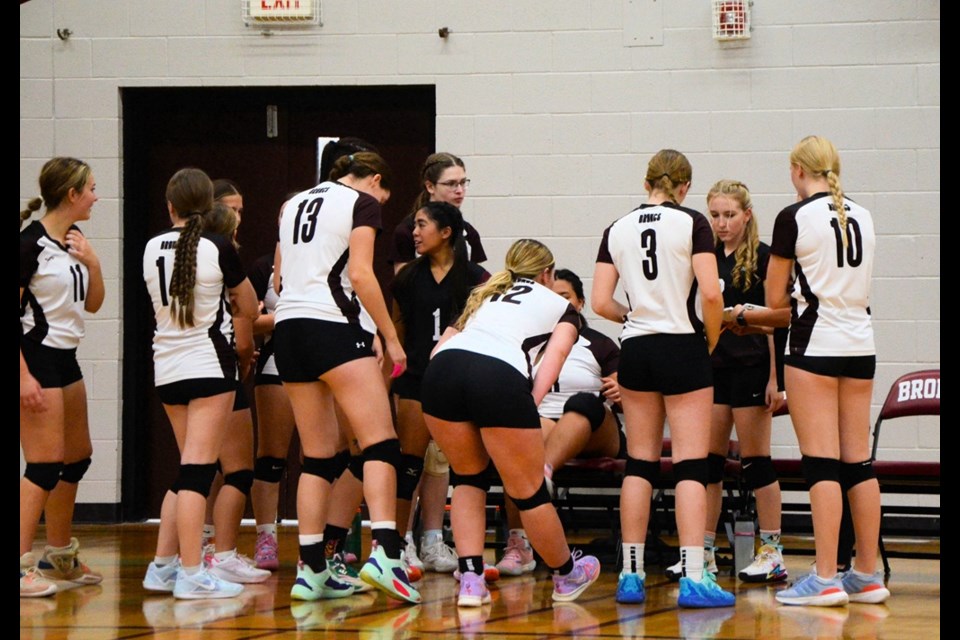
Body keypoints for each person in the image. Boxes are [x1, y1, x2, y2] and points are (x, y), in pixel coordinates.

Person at [273, 151, 421, 604]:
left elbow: (280, 280)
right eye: (383, 194)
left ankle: (312, 569)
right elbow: (359, 272)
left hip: (287, 330)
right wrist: (390, 336)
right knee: (381, 443)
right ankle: (386, 554)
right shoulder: (361, 202)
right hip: (331, 327)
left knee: (317, 457)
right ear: (374, 180)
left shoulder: (293, 204)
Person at [422, 239, 601, 608]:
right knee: (528, 490)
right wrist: (521, 410)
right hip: (498, 376)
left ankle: (471, 579)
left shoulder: (485, 297)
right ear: (547, 273)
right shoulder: (562, 306)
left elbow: (437, 351)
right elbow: (552, 365)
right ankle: (567, 574)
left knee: (468, 477)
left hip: (441, 374)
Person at [592, 149, 735, 608]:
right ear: (685, 187)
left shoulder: (615, 228)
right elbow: (711, 293)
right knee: (692, 465)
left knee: (640, 464)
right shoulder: (693, 222)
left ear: (646, 183)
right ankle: (695, 577)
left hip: (636, 347)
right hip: (682, 343)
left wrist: (632, 314)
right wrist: (710, 338)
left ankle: (630, 576)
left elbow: (599, 301)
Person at [770, 136, 889, 607]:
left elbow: (777, 298)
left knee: (820, 462)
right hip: (861, 344)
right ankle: (866, 573)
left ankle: (824, 578)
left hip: (814, 345)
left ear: (799, 169)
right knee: (858, 461)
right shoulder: (863, 213)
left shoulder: (793, 216)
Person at [141, 168, 259, 599]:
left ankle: (162, 566)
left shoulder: (151, 246)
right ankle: (192, 574)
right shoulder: (219, 246)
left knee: (185, 472)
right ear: (208, 205)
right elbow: (246, 306)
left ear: (170, 205)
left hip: (166, 368)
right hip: (209, 367)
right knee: (197, 473)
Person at [664, 180, 788, 584]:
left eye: (730, 215)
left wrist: (776, 378)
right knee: (709, 464)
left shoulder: (765, 258)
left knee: (756, 462)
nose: (721, 223)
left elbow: (777, 322)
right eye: (715, 215)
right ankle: (703, 551)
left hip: (752, 367)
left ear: (747, 215)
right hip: (712, 369)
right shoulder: (705, 257)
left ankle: (772, 550)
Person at [391, 152, 486, 576]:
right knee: (408, 461)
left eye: (422, 227)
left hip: (454, 379)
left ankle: (436, 539)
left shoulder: (476, 278)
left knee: (446, 462)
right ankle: (397, 542)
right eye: (453, 182)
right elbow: (394, 328)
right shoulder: (408, 275)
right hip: (413, 377)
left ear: (447, 233)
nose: (414, 233)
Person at [496, 268, 623, 578]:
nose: (557, 302)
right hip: (544, 424)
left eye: (564, 296)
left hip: (595, 427)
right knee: (520, 441)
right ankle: (520, 544)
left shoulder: (599, 343)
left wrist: (623, 388)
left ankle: (544, 472)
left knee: (583, 402)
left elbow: (633, 390)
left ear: (579, 303)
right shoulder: (528, 341)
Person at [20, 157, 105, 597]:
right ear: (71, 194)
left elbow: (93, 305)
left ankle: (57, 555)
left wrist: (92, 263)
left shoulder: (73, 240)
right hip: (35, 359)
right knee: (44, 463)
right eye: (90, 188)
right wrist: (22, 376)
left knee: (77, 458)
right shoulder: (28, 244)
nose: (96, 195)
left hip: (66, 358)